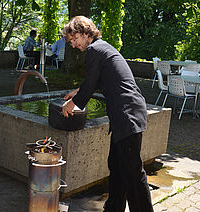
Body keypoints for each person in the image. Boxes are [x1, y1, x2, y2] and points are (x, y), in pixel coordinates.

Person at [62, 16, 154, 212]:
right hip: (127, 114)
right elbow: (97, 81)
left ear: (86, 32)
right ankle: (113, 208)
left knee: (133, 173)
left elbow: (90, 85)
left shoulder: (95, 50)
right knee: (117, 166)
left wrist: (73, 104)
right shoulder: (102, 48)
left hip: (127, 115)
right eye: (70, 41)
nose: (73, 44)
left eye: (74, 38)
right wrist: (76, 93)